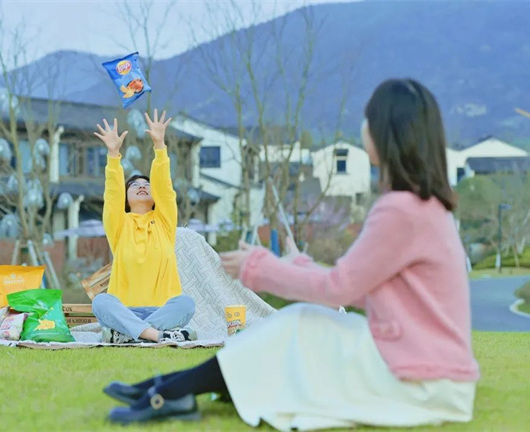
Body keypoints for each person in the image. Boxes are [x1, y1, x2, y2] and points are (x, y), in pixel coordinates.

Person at [104, 79, 480, 430]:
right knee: (306, 323)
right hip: (432, 372)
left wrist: (259, 268)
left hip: (424, 380)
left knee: (301, 323)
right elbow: (367, 289)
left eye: (368, 121)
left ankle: (169, 390)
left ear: (387, 132)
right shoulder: (424, 207)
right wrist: (299, 265)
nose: (364, 129)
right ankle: (171, 388)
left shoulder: (401, 209)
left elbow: (340, 288)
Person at [91, 110, 196, 344]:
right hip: (124, 311)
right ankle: (156, 335)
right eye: (134, 185)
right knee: (101, 302)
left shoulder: (164, 222)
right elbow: (112, 194)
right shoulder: (119, 225)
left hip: (162, 311)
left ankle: (128, 334)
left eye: (146, 185)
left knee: (186, 304)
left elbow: (165, 188)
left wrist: (159, 146)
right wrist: (113, 154)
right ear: (126, 199)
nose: (141, 186)